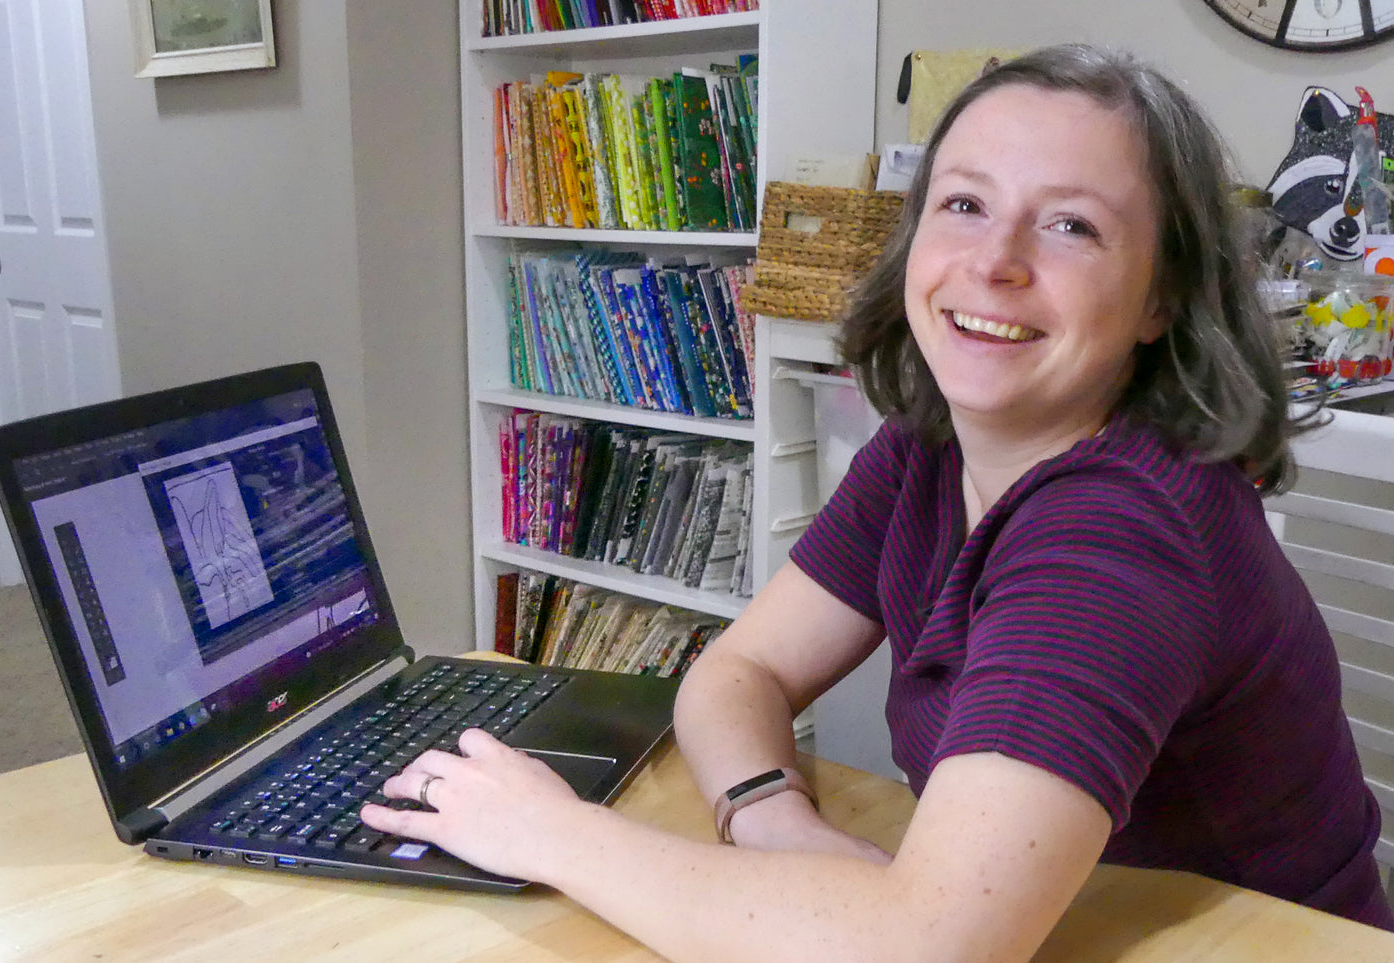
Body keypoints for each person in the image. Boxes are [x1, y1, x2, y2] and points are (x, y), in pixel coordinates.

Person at [361, 44, 1394, 959]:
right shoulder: (928, 445)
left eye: (1071, 226)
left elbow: (921, 950)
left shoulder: (1118, 535)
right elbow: (741, 670)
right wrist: (771, 820)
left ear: (1159, 297)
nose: (993, 263)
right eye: (963, 204)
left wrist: (548, 832)